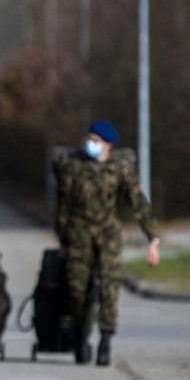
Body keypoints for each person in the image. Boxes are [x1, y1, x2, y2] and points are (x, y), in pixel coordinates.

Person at [54, 120, 160, 366]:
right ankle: (81, 337)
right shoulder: (74, 167)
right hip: (79, 235)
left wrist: (152, 238)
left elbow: (138, 203)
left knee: (109, 289)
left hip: (107, 236)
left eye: (96, 140)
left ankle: (105, 341)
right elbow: (63, 207)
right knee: (77, 291)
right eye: (89, 139)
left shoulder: (119, 169)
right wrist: (63, 240)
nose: (90, 144)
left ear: (108, 145)